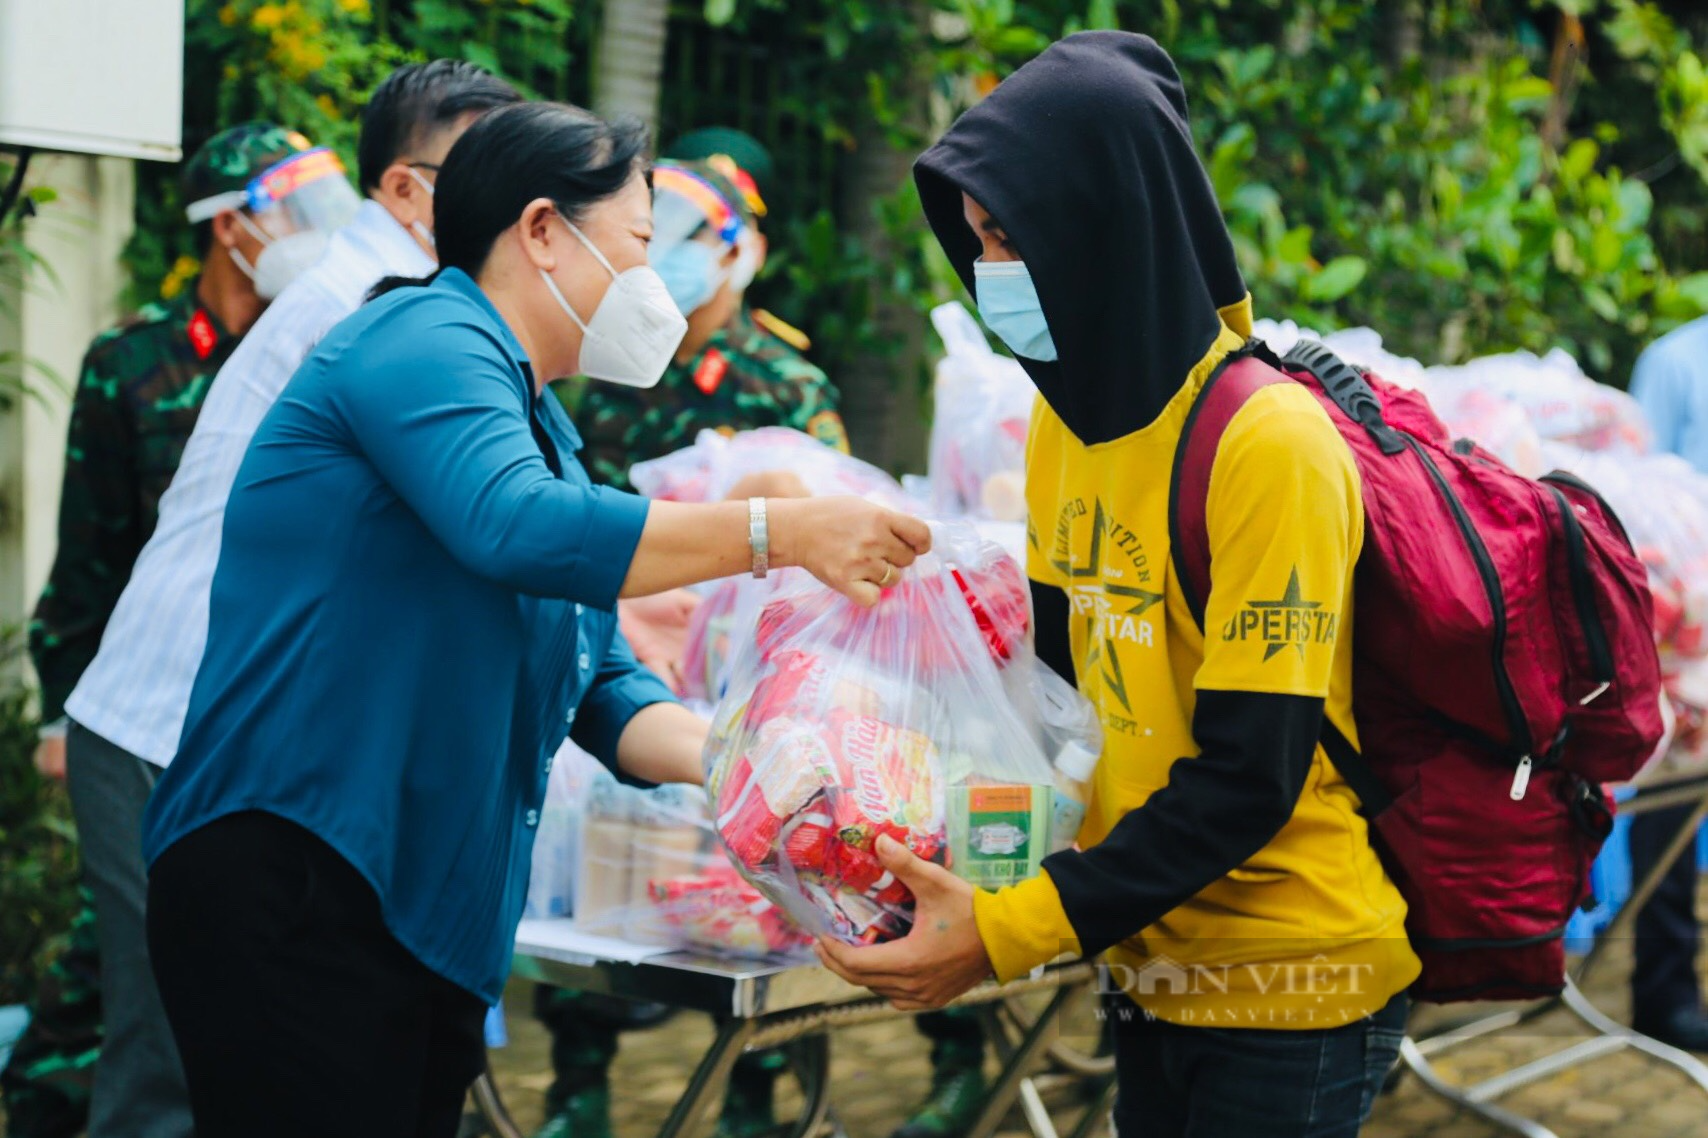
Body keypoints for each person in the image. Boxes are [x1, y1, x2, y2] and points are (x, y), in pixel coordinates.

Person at [139, 99, 930, 1138]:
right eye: (642, 244)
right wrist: (780, 531)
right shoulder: (420, 335)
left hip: (410, 903)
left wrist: (756, 758)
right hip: (300, 871)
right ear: (544, 230)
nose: (653, 281)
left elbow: (597, 678)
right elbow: (509, 525)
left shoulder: (539, 422)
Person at [818, 33, 1418, 1138]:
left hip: (1291, 973)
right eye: (978, 239)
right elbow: (1053, 697)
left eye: (1012, 236)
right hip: (1145, 954)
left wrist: (1009, 929)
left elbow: (1248, 777)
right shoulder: (1064, 421)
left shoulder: (1268, 443)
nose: (990, 267)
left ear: (1106, 223)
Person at [42, 58, 516, 1138]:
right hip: (169, 721)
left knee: (227, 1051)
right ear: (405, 190)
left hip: (227, 727)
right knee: (170, 1058)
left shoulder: (409, 303)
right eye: (488, 172)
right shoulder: (377, 311)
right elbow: (503, 520)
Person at [5, 121, 352, 1138]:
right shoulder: (134, 364)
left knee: (176, 972)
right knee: (135, 971)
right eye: (297, 207)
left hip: (262, 727)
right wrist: (66, 717)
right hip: (143, 718)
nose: (320, 233)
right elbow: (90, 566)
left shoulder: (327, 349)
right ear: (232, 225)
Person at [577, 158, 847, 491]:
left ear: (733, 253)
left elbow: (832, 511)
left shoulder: (787, 387)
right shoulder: (616, 371)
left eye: (688, 235)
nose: (663, 249)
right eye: (652, 233)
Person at [1626, 316, 1708, 1054]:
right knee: (1672, 796)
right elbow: (1640, 490)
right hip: (1689, 632)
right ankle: (1664, 986)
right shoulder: (1676, 360)